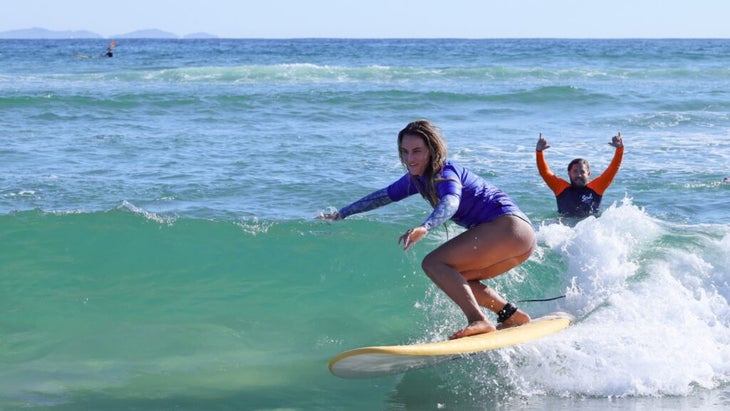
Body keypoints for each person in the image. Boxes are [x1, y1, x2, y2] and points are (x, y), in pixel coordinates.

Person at [318, 120, 535, 339]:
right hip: (520, 238)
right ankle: (511, 315)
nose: (410, 158)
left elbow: (451, 201)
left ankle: (478, 320)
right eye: (405, 152)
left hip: (508, 227)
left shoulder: (445, 173)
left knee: (433, 263)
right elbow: (384, 196)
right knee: (457, 279)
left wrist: (426, 226)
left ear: (431, 151)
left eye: (417, 151)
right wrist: (343, 213)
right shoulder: (417, 179)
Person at [536, 132, 624, 217]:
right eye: (575, 171)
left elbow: (612, 170)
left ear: (588, 174)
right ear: (569, 174)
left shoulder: (597, 188)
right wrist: (539, 152)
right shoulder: (560, 188)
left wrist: (619, 149)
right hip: (564, 228)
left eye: (582, 172)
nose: (579, 175)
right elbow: (544, 172)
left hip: (590, 227)